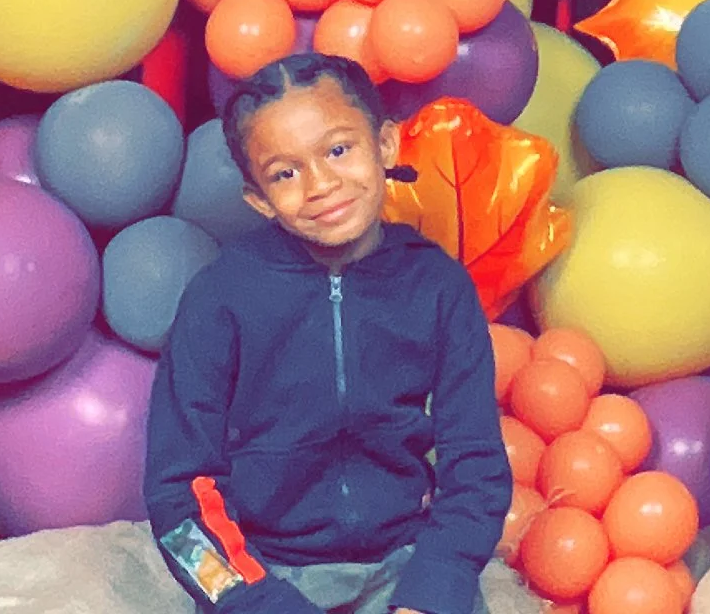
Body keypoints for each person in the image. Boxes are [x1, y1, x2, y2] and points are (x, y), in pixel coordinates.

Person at [145, 52, 514, 614]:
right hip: (263, 574)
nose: (320, 185)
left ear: (385, 145)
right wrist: (255, 600)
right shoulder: (217, 299)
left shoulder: (439, 286)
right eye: (284, 174)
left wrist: (435, 586)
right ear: (258, 199)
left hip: (406, 564)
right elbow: (178, 499)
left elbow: (477, 466)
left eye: (339, 150)